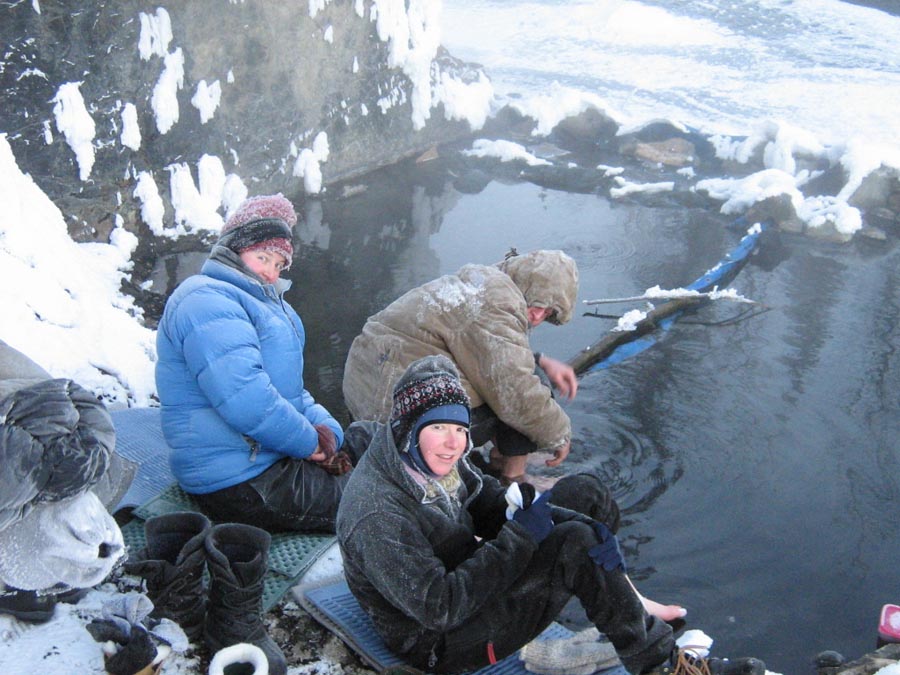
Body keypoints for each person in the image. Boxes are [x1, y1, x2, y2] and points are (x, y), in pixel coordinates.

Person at [336, 356, 765, 675]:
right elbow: (441, 608)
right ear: (409, 429)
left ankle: (620, 599)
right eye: (438, 429)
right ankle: (661, 665)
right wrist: (525, 536)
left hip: (464, 578)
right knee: (574, 545)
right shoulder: (376, 512)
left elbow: (484, 498)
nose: (453, 443)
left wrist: (533, 508)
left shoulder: (432, 458)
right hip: (439, 642)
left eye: (460, 429)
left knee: (585, 497)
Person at [155, 193, 358, 533]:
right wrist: (309, 444)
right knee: (373, 502)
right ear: (234, 248)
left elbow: (287, 390)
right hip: (237, 480)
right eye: (263, 257)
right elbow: (247, 399)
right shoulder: (205, 299)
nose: (270, 272)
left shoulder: (265, 304)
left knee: (369, 439)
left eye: (279, 264)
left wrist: (326, 430)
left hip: (269, 457)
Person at [342, 248, 580, 486]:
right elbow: (515, 390)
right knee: (525, 390)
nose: (538, 316)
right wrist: (558, 434)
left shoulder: (481, 285)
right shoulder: (498, 304)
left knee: (515, 376)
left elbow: (479, 349)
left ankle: (501, 454)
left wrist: (539, 359)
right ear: (526, 284)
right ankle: (513, 475)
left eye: (548, 311)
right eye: (538, 303)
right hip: (393, 419)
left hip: (367, 400)